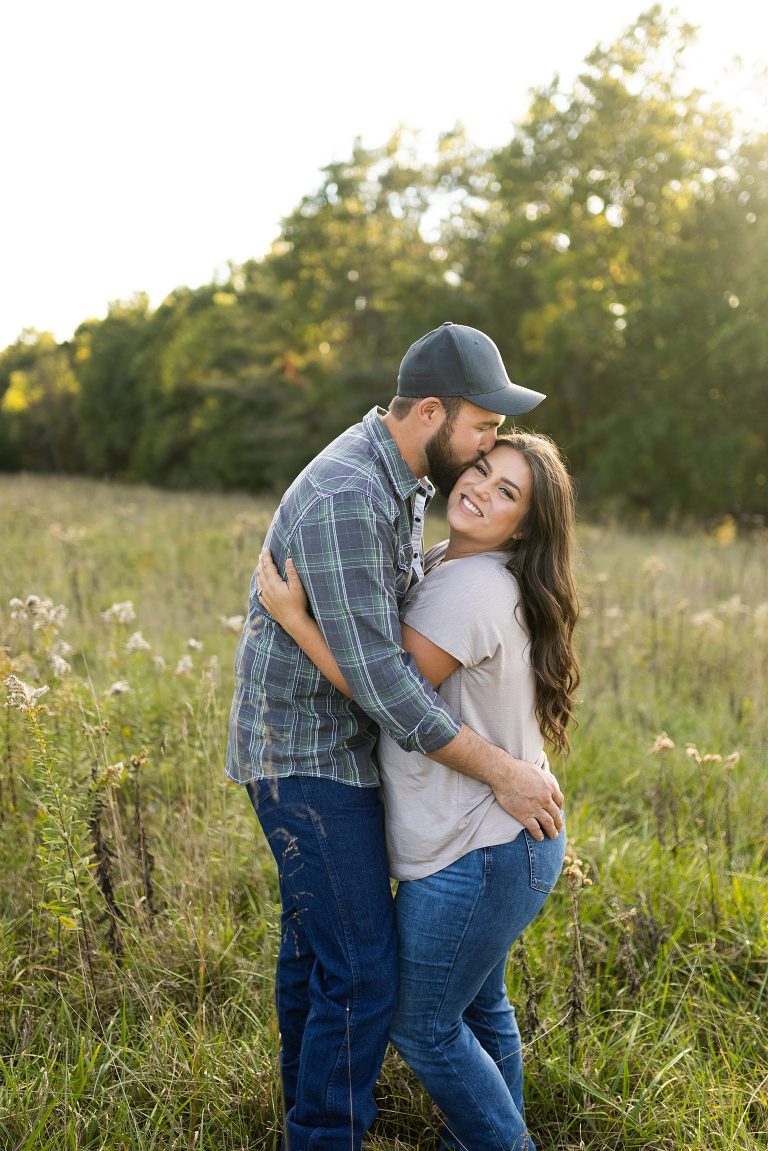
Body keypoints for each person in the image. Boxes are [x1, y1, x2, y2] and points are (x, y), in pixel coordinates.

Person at [225, 321, 565, 1151]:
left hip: (345, 755)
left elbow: (387, 651)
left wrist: (298, 619)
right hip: (308, 758)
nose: (487, 447)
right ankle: (324, 1131)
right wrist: (505, 771)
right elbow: (387, 684)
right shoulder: (353, 493)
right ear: (433, 414)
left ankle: (312, 1120)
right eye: (483, 431)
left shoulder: (408, 477)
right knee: (363, 972)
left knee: (322, 953)